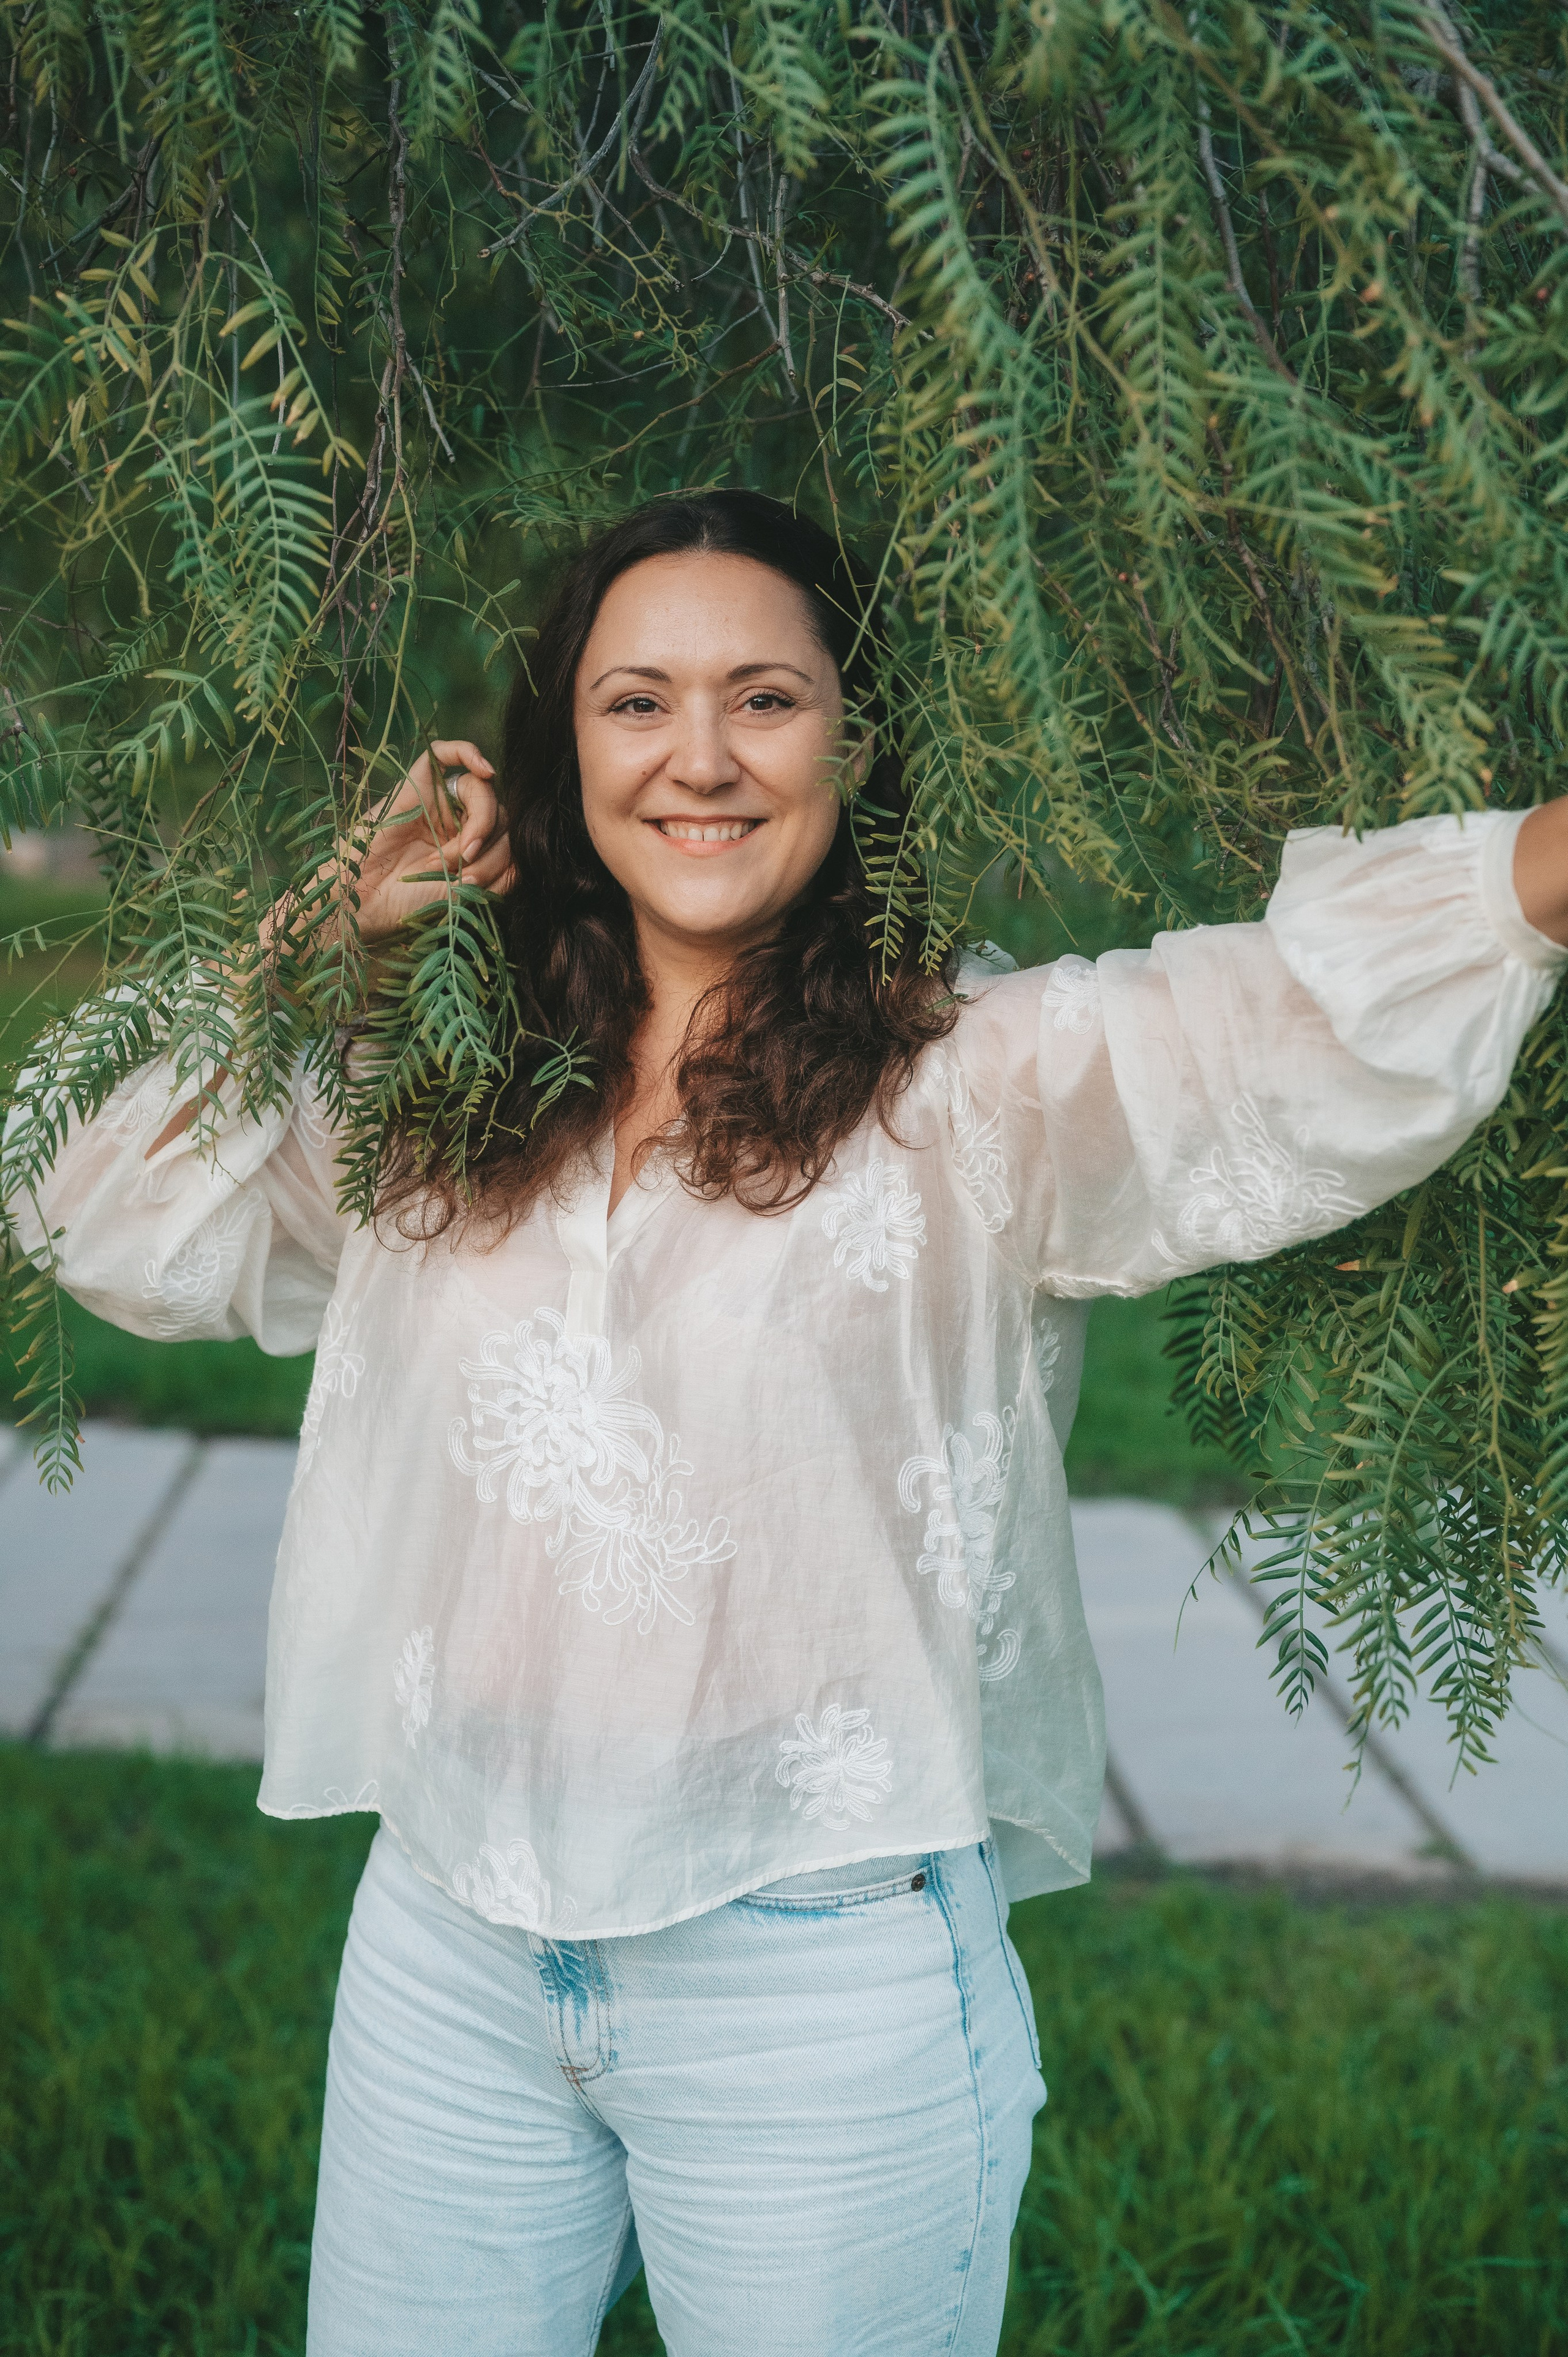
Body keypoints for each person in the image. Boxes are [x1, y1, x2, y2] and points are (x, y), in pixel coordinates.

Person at [12, 490, 1568, 2357]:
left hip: (814, 1982)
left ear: (852, 738)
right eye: (636, 702)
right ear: (559, 749)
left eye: (765, 699)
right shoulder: (451, 1080)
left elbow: (1300, 1019)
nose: (699, 759)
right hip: (449, 1934)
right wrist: (323, 938)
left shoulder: (975, 1080)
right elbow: (91, 1193)